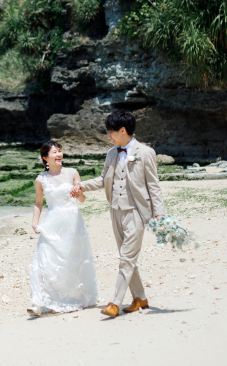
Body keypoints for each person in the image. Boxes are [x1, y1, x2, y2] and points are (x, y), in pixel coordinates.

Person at [70, 110, 165, 318]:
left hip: (137, 212)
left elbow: (153, 185)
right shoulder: (112, 153)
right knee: (126, 258)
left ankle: (115, 303)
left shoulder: (146, 152)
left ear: (123, 130)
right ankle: (140, 298)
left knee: (126, 258)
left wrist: (159, 213)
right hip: (115, 210)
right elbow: (104, 178)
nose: (109, 136)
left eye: (111, 132)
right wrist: (82, 186)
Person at [27, 140, 98, 317]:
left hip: (72, 222)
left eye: (59, 151)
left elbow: (82, 199)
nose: (59, 154)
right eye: (54, 152)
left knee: (71, 261)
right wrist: (35, 222)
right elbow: (38, 203)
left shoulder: (73, 173)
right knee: (43, 260)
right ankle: (38, 302)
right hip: (52, 223)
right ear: (45, 158)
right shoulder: (40, 179)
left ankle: (72, 297)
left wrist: (79, 193)